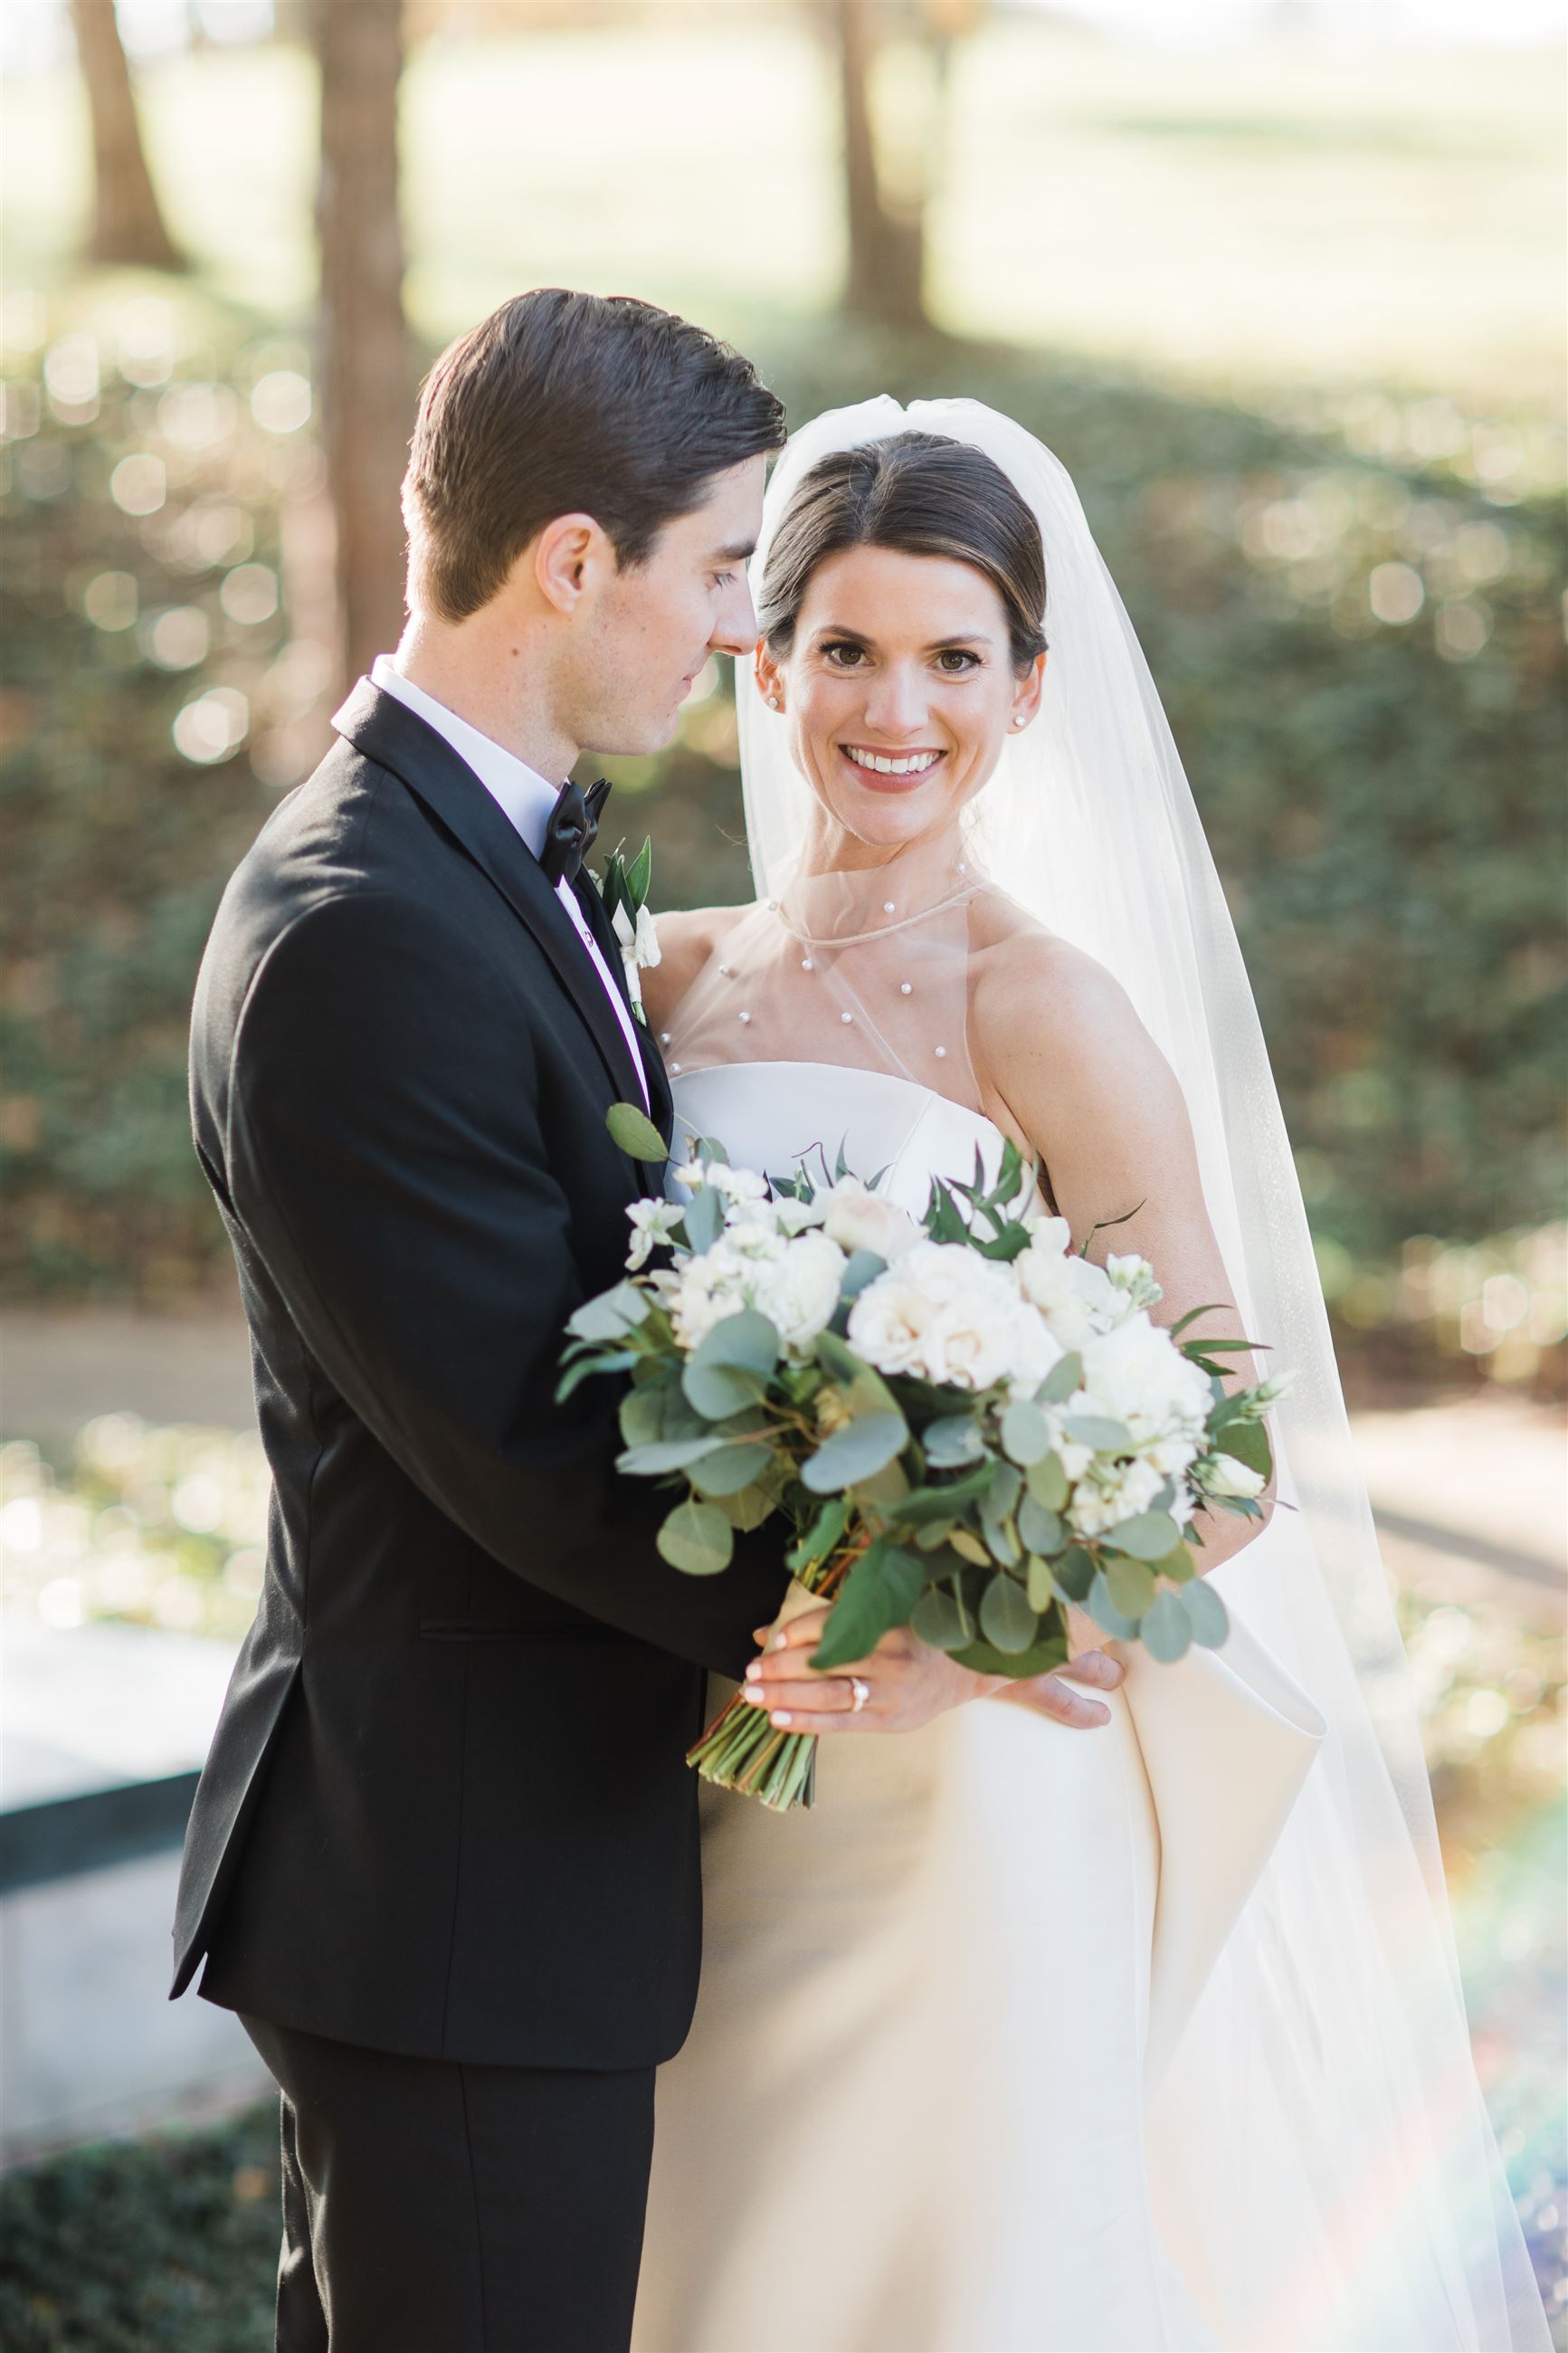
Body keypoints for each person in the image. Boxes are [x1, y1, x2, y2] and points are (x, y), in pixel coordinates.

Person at [171, 298, 1125, 2353]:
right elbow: (527, 1438)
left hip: (591, 1850)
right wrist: (892, 1607)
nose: (738, 636)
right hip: (461, 1886)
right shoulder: (364, 925)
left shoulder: (505, 875)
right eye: (720, 575)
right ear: (574, 562)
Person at [630, 402, 1554, 2352]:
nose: (899, 706)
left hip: (968, 1806)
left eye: (955, 657)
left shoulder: (1035, 1005)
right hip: (698, 1765)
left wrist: (976, 1635)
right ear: (769, 660)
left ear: (1029, 688)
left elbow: (1227, 1441)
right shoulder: (666, 979)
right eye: (852, 649)